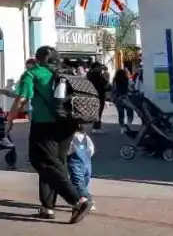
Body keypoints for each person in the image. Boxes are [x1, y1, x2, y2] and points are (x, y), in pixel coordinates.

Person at [8, 46, 93, 224]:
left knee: (42, 161)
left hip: (45, 125)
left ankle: (78, 200)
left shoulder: (33, 73)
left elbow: (21, 100)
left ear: (38, 59)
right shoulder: (65, 72)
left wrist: (9, 121)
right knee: (55, 164)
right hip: (68, 125)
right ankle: (47, 208)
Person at [67, 123, 95, 211]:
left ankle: (86, 200)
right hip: (86, 162)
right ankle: (83, 198)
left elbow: (68, 150)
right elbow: (91, 150)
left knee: (78, 182)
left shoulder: (71, 138)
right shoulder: (86, 137)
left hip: (75, 162)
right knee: (85, 181)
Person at [86, 63, 108, 133]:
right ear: (95, 67)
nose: (101, 68)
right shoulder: (97, 75)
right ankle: (96, 127)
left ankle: (96, 126)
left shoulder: (89, 74)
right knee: (98, 112)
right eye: (99, 67)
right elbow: (105, 84)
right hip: (99, 95)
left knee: (96, 111)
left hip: (92, 95)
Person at [111, 67, 135, 133]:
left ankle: (122, 127)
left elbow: (113, 88)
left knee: (121, 113)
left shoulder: (114, 80)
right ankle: (128, 123)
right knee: (130, 111)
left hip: (118, 98)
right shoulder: (128, 79)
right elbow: (132, 87)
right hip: (126, 97)